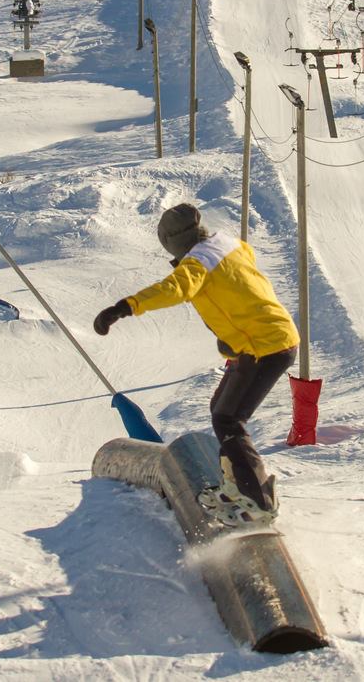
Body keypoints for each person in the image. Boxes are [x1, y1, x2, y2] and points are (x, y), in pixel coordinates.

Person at [93, 203, 299, 525]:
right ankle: (235, 485)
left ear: (173, 242)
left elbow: (174, 288)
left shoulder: (197, 263)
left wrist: (125, 307)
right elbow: (240, 283)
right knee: (219, 406)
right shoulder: (230, 245)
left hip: (265, 346)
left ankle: (257, 499)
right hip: (266, 339)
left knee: (228, 419)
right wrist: (231, 333)